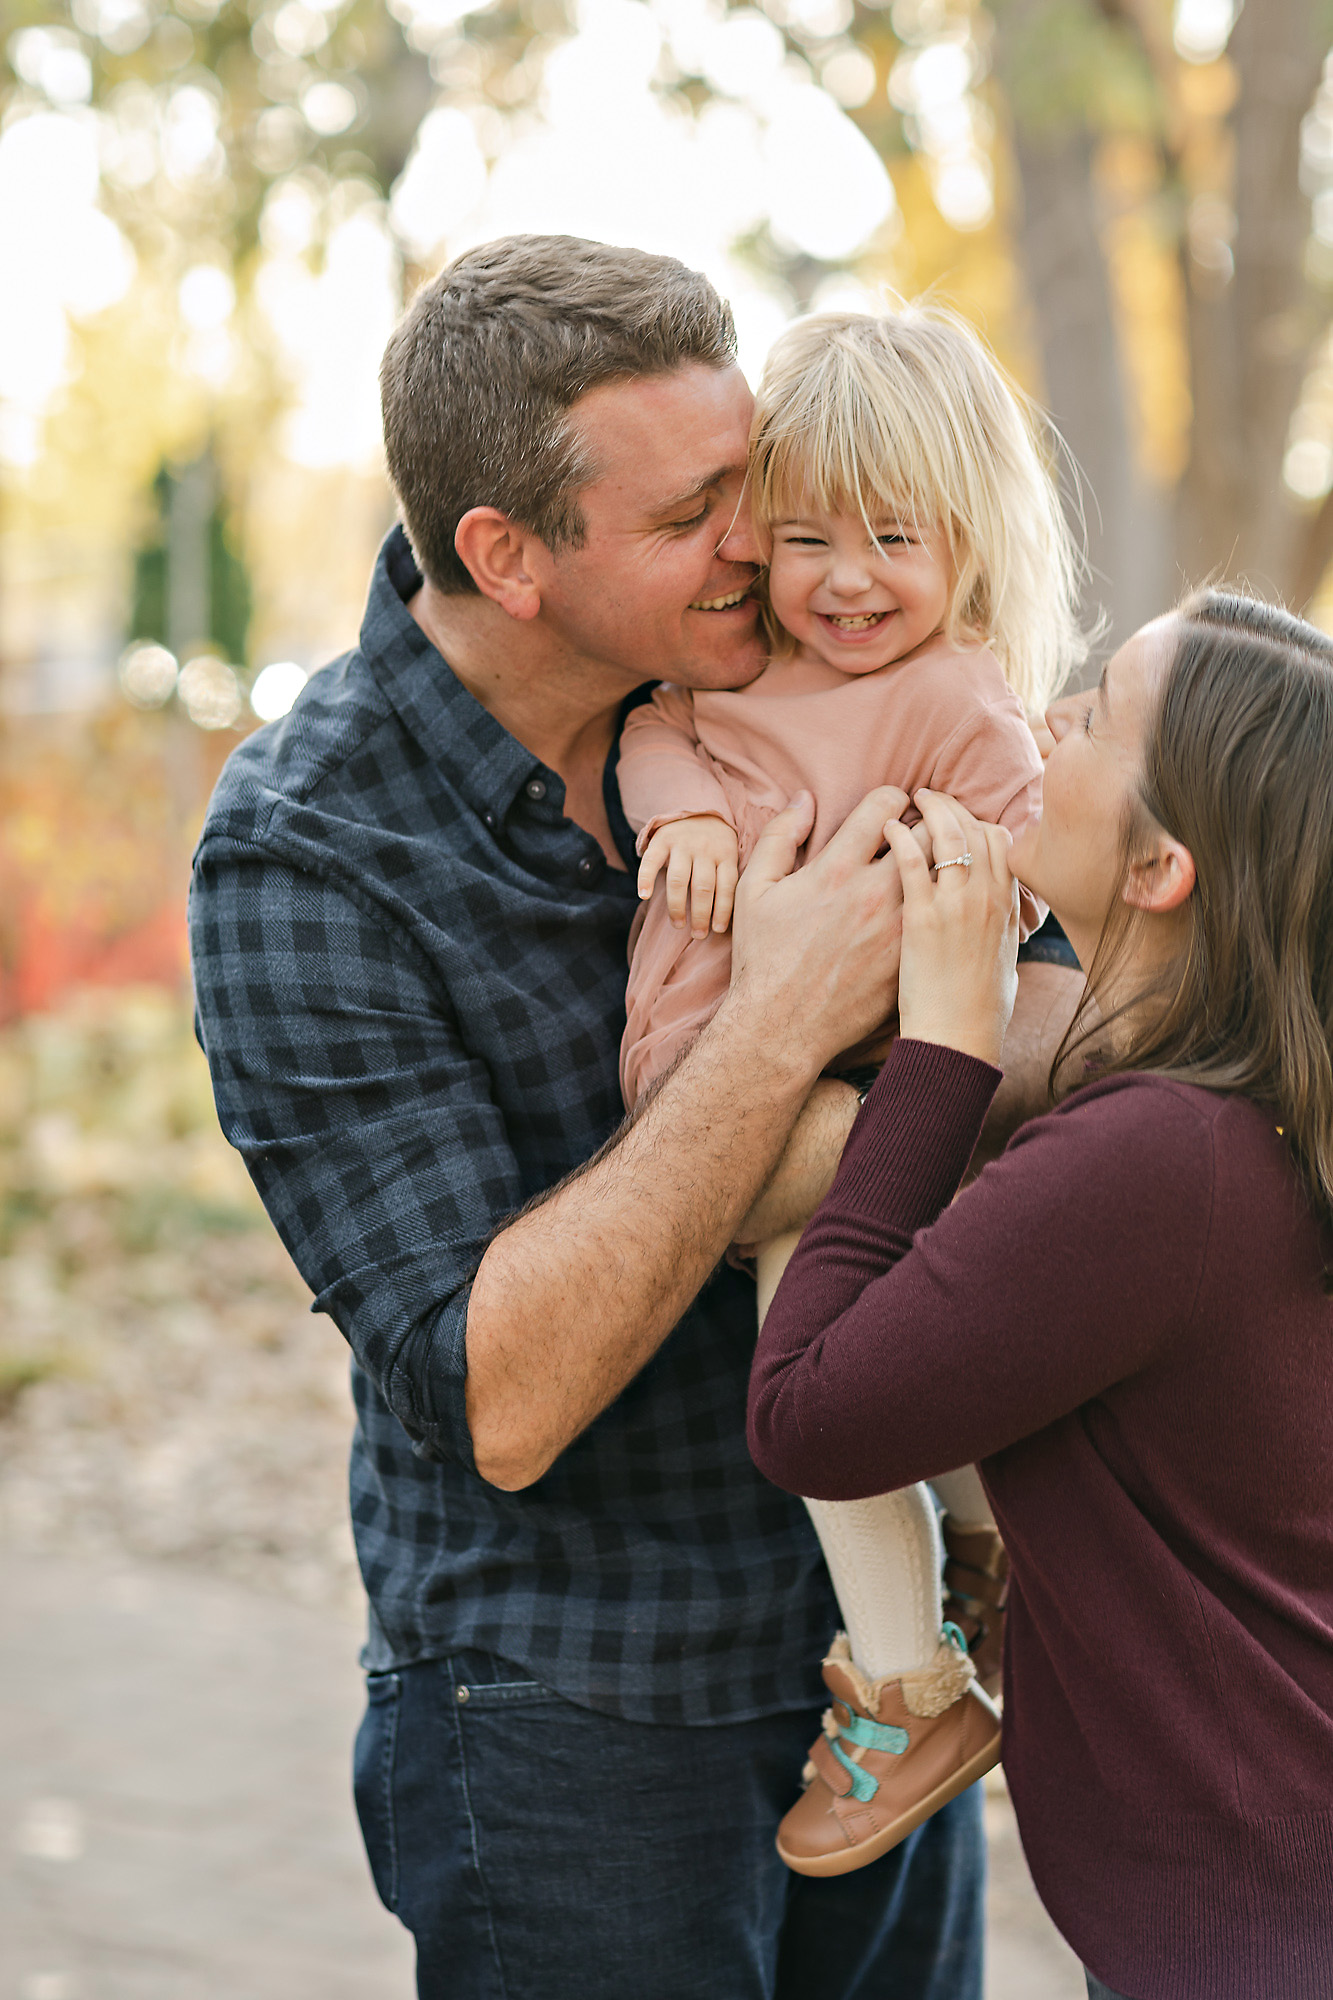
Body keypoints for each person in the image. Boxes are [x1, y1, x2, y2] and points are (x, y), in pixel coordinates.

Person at [188, 234, 1079, 2000]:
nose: (762, 541)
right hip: (574, 1712)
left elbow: (1055, 1014)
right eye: (693, 515)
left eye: (751, 479)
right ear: (508, 558)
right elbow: (499, 1399)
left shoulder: (806, 692)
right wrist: (789, 1017)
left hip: (874, 1668)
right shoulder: (313, 853)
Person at [748, 590, 1333, 2000]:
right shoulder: (1245, 1117)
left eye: (1098, 714)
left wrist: (945, 1050)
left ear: (1160, 867)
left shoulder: (1158, 1161)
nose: (1047, 717)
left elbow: (806, 1415)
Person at [616, 305, 1090, 1874]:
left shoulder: (951, 695)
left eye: (894, 538)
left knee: (815, 1377)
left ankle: (908, 1685)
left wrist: (951, 883)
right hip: (715, 1090)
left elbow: (1032, 851)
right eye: (808, 538)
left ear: (965, 542)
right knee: (877, 1374)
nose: (846, 579)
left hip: (837, 1108)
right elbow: (656, 734)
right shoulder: (742, 669)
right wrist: (683, 816)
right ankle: (980, 1557)